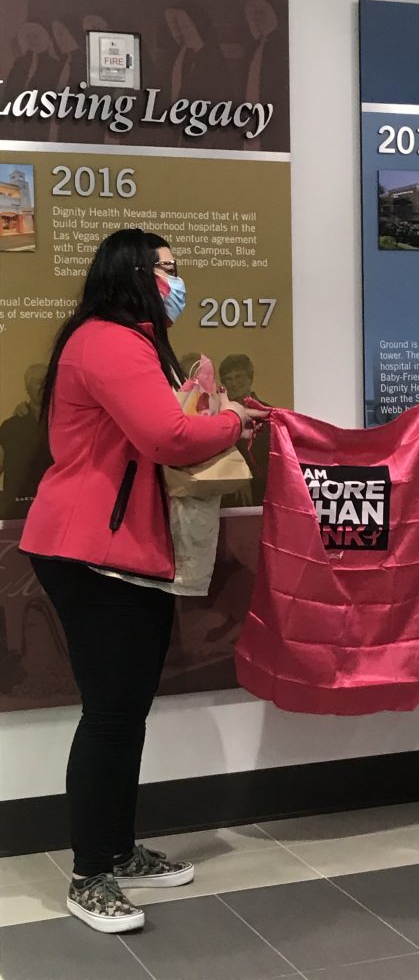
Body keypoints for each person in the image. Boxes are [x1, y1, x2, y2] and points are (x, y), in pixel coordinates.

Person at [19, 228, 267, 933]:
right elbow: (169, 438)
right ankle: (90, 874)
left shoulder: (126, 339)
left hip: (122, 547)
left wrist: (217, 415)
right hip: (93, 548)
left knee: (125, 711)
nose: (176, 280)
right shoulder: (108, 341)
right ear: (130, 273)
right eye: (166, 269)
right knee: (110, 713)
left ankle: (118, 851)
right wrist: (227, 420)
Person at [0, 364, 52, 519]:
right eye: (37, 382)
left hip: (52, 506)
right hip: (18, 511)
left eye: (46, 381)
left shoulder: (64, 421)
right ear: (27, 387)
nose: (42, 386)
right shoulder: (10, 426)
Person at [220, 353, 270, 506]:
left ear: (250, 378)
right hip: (227, 495)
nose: (234, 383)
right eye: (229, 379)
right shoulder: (216, 418)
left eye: (239, 377)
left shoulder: (270, 415)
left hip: (265, 494)